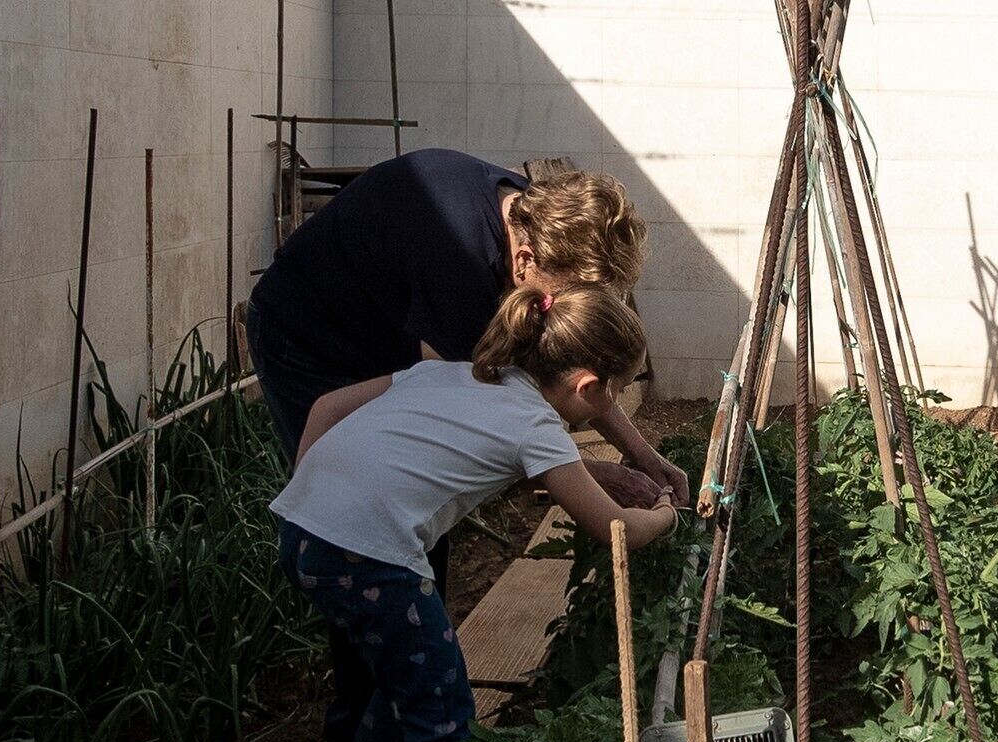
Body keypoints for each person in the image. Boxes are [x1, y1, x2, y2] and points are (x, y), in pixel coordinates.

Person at [270, 284, 680, 742]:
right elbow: (614, 529)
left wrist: (314, 497)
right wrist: (663, 514)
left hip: (303, 531)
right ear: (588, 386)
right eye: (616, 392)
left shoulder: (450, 373)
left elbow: (324, 408)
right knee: (444, 719)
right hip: (372, 559)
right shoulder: (537, 426)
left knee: (404, 685)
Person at [245, 151, 690, 510]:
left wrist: (642, 455)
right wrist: (589, 479)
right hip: (308, 340)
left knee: (411, 516)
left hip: (380, 325)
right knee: (351, 500)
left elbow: (579, 363)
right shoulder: (461, 269)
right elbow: (464, 436)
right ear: (525, 262)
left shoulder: (534, 214)